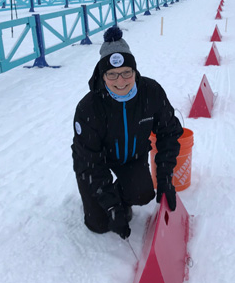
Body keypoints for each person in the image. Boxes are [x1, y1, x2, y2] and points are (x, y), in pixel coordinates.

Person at [71, 26, 183, 239]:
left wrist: (165, 176)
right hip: (95, 163)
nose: (120, 81)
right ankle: (106, 200)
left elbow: (169, 132)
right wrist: (111, 206)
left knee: (142, 193)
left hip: (132, 157)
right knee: (99, 224)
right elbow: (89, 161)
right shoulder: (88, 108)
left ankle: (119, 195)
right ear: (102, 75)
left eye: (126, 73)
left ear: (135, 71)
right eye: (112, 74)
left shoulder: (151, 92)